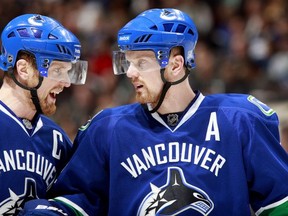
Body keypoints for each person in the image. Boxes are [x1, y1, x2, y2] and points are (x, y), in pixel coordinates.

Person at [20, 8, 288, 216]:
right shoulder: (107, 129)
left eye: (142, 62)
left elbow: (280, 202)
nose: (131, 72)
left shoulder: (240, 120)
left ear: (175, 65)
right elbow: (78, 201)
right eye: (127, 61)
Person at [0, 14, 87, 215]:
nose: (66, 83)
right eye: (57, 71)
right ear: (23, 69)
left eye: (68, 71)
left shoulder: (57, 140)